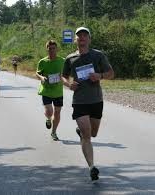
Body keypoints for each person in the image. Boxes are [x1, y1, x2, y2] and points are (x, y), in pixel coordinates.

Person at [62, 27, 114, 181]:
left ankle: (82, 132)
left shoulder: (98, 55)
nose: (82, 38)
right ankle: (92, 167)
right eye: (79, 36)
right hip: (80, 101)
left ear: (89, 39)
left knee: (93, 133)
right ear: (75, 40)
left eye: (85, 35)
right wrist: (69, 84)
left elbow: (111, 73)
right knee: (87, 136)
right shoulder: (70, 58)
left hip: (96, 100)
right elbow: (63, 77)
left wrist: (100, 75)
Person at [36, 40, 65, 141]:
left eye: (54, 48)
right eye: (50, 48)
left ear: (57, 49)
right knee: (49, 111)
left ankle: (54, 132)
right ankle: (48, 119)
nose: (52, 50)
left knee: (57, 113)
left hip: (58, 91)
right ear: (47, 49)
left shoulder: (62, 61)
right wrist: (41, 78)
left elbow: (66, 74)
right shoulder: (43, 61)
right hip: (46, 90)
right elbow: (37, 73)